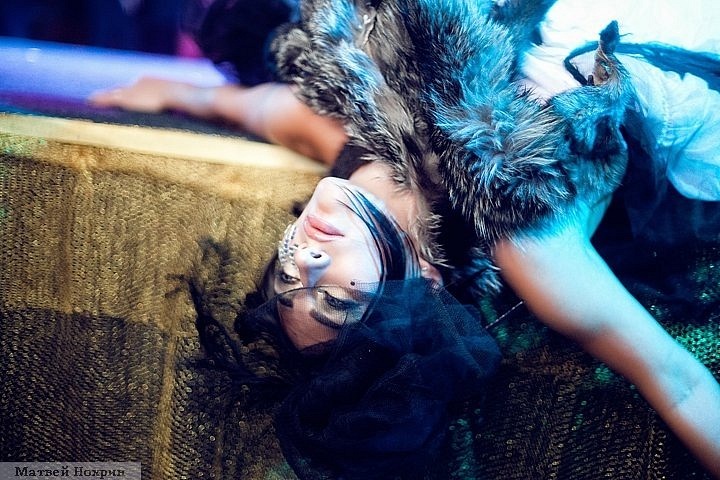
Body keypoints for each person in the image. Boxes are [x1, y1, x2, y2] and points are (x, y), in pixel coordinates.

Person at [90, 0, 720, 477]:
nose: (306, 260)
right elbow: (679, 384)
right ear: (423, 282)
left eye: (286, 278)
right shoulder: (525, 239)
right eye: (334, 298)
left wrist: (175, 94)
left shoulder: (346, 137)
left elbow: (253, 106)